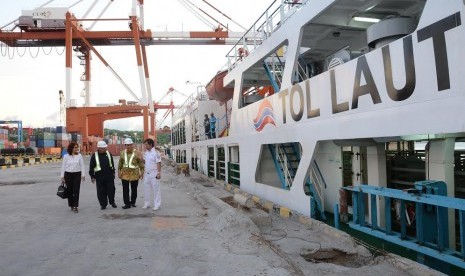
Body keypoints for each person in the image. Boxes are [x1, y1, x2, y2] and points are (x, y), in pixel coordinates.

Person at [89, 141, 117, 210]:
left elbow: (112, 164)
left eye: (104, 148)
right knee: (101, 191)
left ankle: (112, 202)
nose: (104, 149)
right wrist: (92, 176)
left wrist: (113, 172)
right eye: (102, 148)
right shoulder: (94, 155)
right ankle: (103, 204)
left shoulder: (108, 153)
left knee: (111, 190)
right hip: (99, 177)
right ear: (98, 148)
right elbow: (91, 166)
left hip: (109, 175)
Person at [118, 138, 144, 209]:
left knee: (134, 189)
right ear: (125, 145)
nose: (129, 146)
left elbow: (140, 164)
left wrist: (142, 172)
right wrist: (119, 173)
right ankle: (127, 204)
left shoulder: (137, 153)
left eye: (130, 145)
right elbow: (120, 164)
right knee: (125, 189)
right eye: (127, 145)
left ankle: (133, 202)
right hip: (125, 174)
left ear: (132, 145)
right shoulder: (122, 153)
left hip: (134, 174)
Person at [60, 142, 85, 213]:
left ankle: (75, 206)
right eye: (75, 147)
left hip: (77, 174)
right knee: (70, 191)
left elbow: (82, 165)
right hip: (68, 175)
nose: (77, 148)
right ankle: (71, 204)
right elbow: (63, 167)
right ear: (71, 148)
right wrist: (62, 176)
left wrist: (83, 175)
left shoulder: (79, 156)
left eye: (77, 147)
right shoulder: (66, 156)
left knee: (76, 190)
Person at [142, 138, 162, 211]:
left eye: (146, 144)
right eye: (145, 145)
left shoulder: (156, 153)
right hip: (147, 174)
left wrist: (159, 173)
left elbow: (158, 163)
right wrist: (141, 159)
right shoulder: (146, 153)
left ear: (150, 144)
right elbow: (145, 162)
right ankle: (147, 203)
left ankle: (157, 204)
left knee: (156, 190)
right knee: (146, 189)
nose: (145, 146)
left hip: (154, 174)